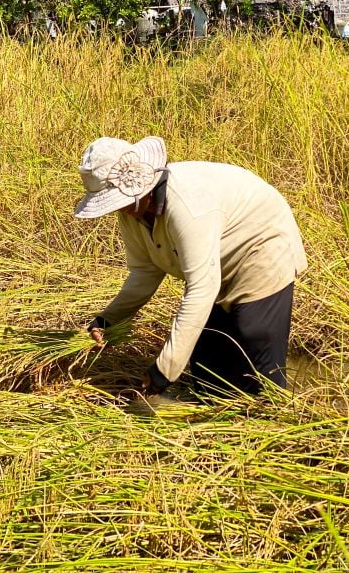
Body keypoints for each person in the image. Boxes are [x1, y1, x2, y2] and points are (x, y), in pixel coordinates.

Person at [74, 136, 307, 398]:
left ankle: (271, 412)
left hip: (262, 245)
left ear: (141, 188)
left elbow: (201, 289)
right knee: (208, 357)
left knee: (253, 337)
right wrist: (107, 320)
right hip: (215, 259)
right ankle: (217, 411)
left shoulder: (188, 207)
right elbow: (145, 272)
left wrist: (165, 370)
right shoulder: (132, 211)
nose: (118, 209)